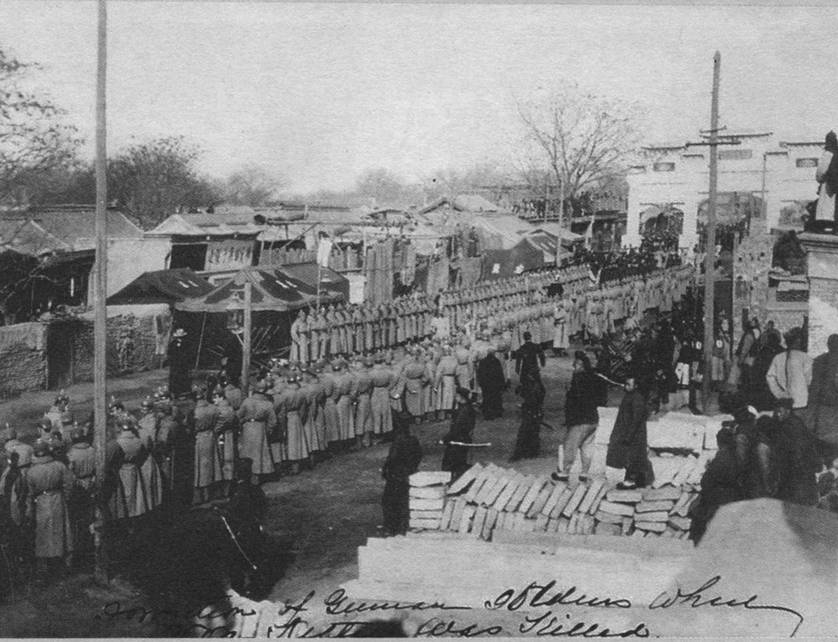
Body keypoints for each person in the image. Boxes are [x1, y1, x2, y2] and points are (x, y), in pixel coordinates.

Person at [24, 440, 75, 580]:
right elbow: (69, 484)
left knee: (43, 533)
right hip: (58, 500)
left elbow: (30, 493)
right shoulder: (59, 466)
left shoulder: (32, 471)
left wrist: (30, 510)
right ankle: (63, 565)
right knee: (61, 531)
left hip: (41, 502)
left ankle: (44, 567)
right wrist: (66, 498)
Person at [554, 351, 606, 481]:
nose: (574, 367)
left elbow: (575, 399)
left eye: (576, 365)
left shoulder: (578, 379)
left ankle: (565, 472)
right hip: (593, 418)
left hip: (580, 419)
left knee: (570, 445)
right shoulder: (594, 377)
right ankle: (584, 473)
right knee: (587, 446)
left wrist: (569, 392)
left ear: (581, 365)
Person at [689, 426, 744, 543]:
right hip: (733, 496)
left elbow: (707, 481)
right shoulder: (737, 455)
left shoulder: (722, 456)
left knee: (698, 514)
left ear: (719, 441)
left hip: (719, 497)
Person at [772, 397, 820, 506]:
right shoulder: (794, 422)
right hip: (800, 469)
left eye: (780, 411)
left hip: (797, 470)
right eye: (776, 412)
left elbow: (797, 448)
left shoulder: (791, 425)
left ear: (787, 411)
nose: (777, 414)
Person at [381, 411, 423, 536]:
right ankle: (402, 526)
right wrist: (412, 467)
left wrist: (385, 469)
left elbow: (392, 458)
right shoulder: (413, 440)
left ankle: (390, 527)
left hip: (396, 474)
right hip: (408, 473)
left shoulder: (398, 440)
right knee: (404, 501)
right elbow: (419, 455)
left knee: (389, 501)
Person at [606, 375, 651, 489]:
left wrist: (628, 436)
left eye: (629, 385)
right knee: (629, 457)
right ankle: (636, 480)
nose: (626, 387)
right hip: (628, 432)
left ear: (636, 386)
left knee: (632, 457)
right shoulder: (630, 396)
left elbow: (636, 419)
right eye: (625, 384)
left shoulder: (637, 398)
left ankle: (630, 481)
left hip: (634, 434)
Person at [236, 381, 276, 480]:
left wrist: (243, 421)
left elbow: (238, 415)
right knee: (259, 452)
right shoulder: (268, 404)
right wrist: (268, 430)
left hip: (248, 427)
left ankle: (246, 474)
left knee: (247, 451)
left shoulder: (247, 401)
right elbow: (273, 421)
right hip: (260, 428)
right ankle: (257, 474)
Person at [766, 327, 811, 411]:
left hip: (783, 403)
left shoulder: (778, 357)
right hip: (800, 402)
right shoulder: (805, 358)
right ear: (798, 341)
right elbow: (810, 380)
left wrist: (779, 393)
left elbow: (770, 378)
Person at [809, 333, 838, 462]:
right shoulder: (821, 361)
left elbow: (814, 385)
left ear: (828, 345)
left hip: (822, 405)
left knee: (823, 436)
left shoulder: (819, 360)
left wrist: (812, 404)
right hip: (831, 405)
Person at [510, 370, 545, 461]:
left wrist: (523, 406)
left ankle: (521, 453)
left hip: (532, 413)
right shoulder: (537, 386)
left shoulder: (534, 387)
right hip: (535, 412)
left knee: (525, 433)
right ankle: (531, 452)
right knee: (532, 433)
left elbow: (532, 401)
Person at [441, 388, 476, 480]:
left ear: (461, 397)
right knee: (460, 462)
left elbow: (457, 427)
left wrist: (445, 439)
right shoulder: (468, 408)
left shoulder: (463, 411)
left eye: (456, 396)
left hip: (458, 440)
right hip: (464, 439)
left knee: (450, 464)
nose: (455, 397)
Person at [812, 130, 838, 234]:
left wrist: (820, 180)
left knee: (825, 208)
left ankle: (825, 227)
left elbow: (821, 172)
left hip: (828, 184)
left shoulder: (828, 154)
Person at [476, 346, 505, 420]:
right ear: (494, 353)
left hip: (486, 384)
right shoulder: (496, 361)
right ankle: (496, 413)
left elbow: (480, 373)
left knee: (486, 398)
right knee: (496, 398)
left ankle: (487, 414)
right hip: (495, 383)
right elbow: (500, 373)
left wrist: (480, 382)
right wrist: (502, 383)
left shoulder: (483, 361)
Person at [168, 328, 191, 396]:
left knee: (183, 375)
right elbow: (170, 352)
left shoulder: (186, 343)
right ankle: (174, 391)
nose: (181, 338)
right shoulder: (173, 343)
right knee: (175, 376)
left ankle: (183, 390)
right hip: (175, 363)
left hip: (183, 362)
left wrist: (185, 358)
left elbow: (188, 352)